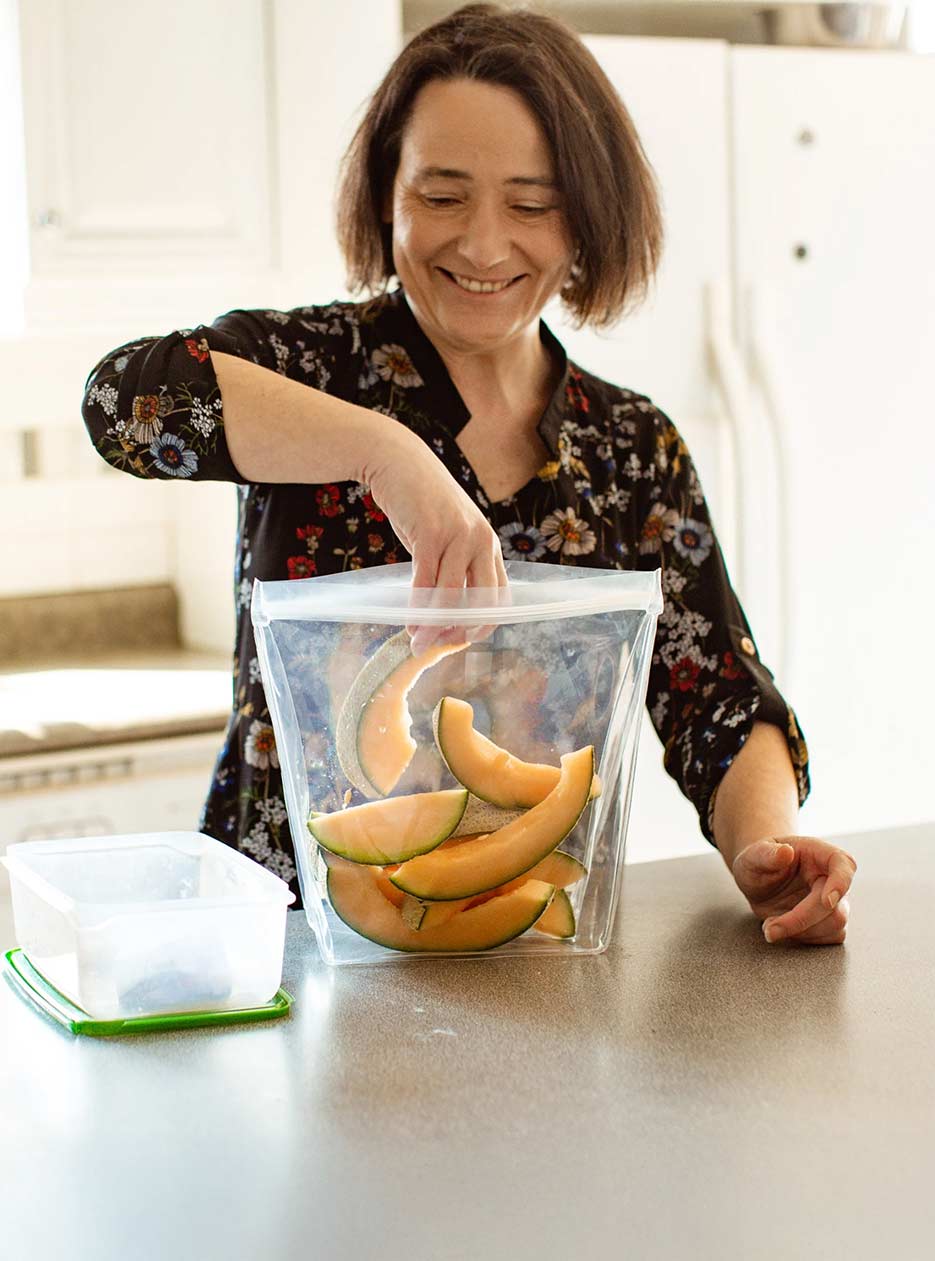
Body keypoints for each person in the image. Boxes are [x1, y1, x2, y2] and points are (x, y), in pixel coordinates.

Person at [82, 3, 855, 945]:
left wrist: (767, 850)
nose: (484, 246)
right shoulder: (311, 370)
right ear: (385, 197)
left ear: (588, 219)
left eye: (531, 204)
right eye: (442, 197)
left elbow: (718, 700)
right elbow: (123, 403)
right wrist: (385, 450)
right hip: (286, 958)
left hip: (533, 955)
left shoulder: (630, 448)